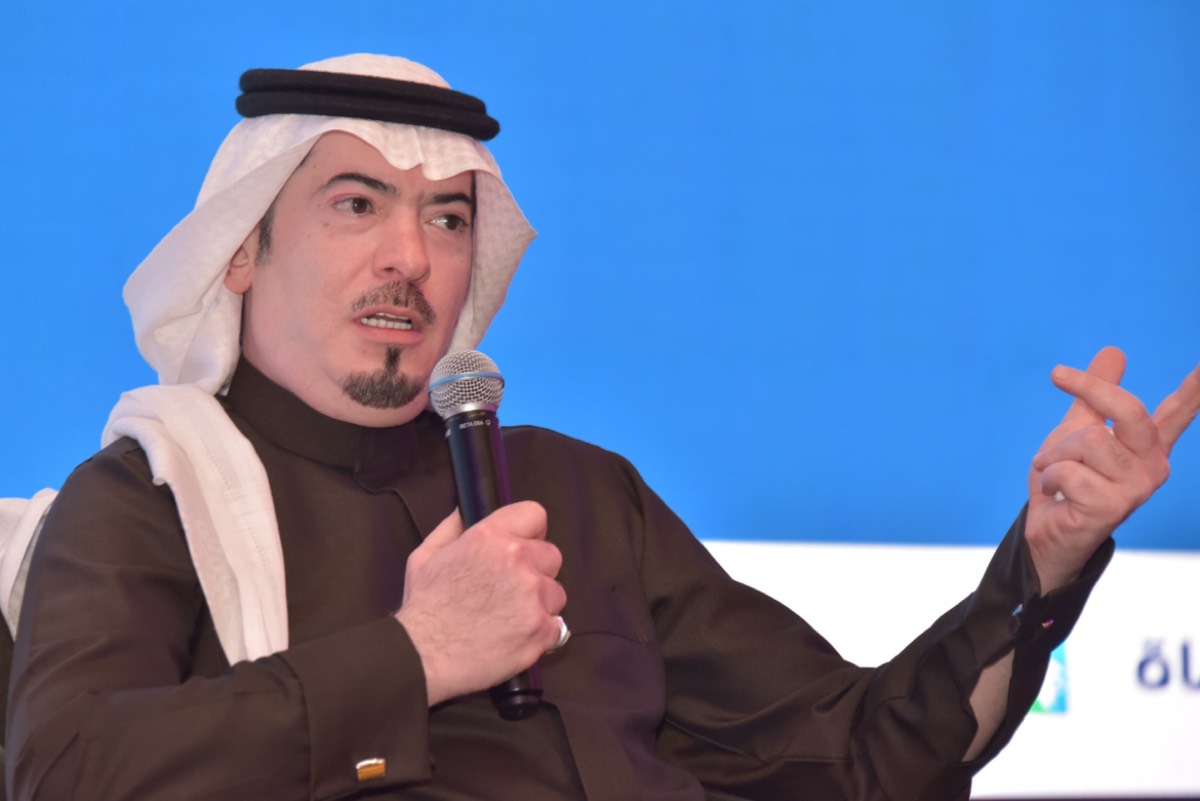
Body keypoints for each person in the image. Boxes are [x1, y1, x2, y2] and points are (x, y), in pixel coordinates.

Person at [4, 53, 1198, 801]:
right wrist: (417, 655)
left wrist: (1049, 559)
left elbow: (862, 757)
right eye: (357, 205)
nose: (409, 255)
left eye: (448, 219)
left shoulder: (577, 495)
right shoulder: (148, 500)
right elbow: (63, 774)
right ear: (243, 253)